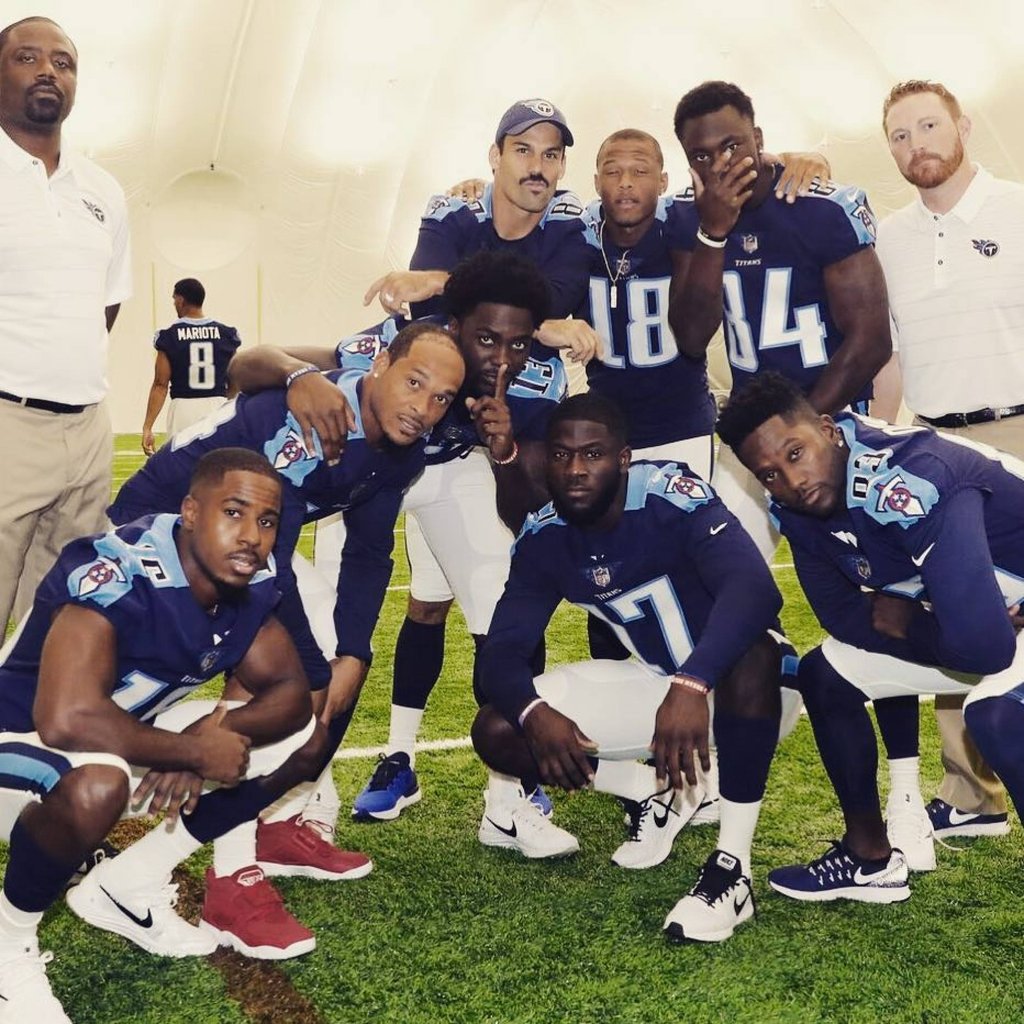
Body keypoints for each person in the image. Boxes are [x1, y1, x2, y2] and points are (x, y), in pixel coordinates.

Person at [106, 325, 465, 956]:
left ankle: (269, 824)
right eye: (414, 382)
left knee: (329, 655)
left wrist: (353, 651)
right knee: (284, 688)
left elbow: (368, 551)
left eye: (441, 397)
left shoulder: (401, 444)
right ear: (379, 365)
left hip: (240, 552)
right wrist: (315, 671)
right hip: (162, 543)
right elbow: (265, 567)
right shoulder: (315, 420)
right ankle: (231, 876)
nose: (423, 405)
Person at [229, 252, 564, 824]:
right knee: (333, 629)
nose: (502, 359)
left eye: (518, 345)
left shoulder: (538, 378)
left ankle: (509, 799)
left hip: (453, 470)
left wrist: (504, 449)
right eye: (486, 340)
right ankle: (310, 802)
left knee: (503, 612)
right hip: (373, 471)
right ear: (454, 327)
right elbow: (247, 362)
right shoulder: (407, 347)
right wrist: (299, 376)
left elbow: (529, 513)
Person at [0, 449, 318, 1021]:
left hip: (116, 740)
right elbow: (65, 719)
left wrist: (212, 732)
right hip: (14, 738)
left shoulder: (251, 581)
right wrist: (192, 749)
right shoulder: (120, 568)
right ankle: (5, 950)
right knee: (97, 782)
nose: (252, 537)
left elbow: (290, 695)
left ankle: (125, 885)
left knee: (292, 742)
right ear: (191, 512)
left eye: (267, 521)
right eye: (235, 513)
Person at [472, 393, 797, 943]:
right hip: (656, 681)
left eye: (592, 454)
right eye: (561, 456)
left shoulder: (670, 495)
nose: (575, 470)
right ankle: (648, 786)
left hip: (754, 689)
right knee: (498, 728)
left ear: (624, 458)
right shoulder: (545, 535)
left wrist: (693, 682)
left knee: (754, 652)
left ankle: (732, 871)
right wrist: (533, 712)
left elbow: (755, 593)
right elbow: (501, 652)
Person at [717, 372, 1024, 904]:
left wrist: (911, 621)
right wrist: (938, 623)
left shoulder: (912, 478)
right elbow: (842, 617)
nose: (791, 481)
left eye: (796, 453)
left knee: (995, 715)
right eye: (769, 474)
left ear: (829, 430)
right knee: (827, 675)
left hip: (996, 625)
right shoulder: (796, 506)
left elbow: (986, 649)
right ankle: (869, 859)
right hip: (982, 621)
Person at [873, 80, 1024, 842]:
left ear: (962, 125)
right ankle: (971, 794)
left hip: (1019, 434)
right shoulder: (890, 237)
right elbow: (892, 351)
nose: (916, 145)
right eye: (899, 135)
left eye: (929, 126)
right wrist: (876, 436)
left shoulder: (1019, 208)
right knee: (960, 616)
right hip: (935, 446)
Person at [668, 80, 892, 561]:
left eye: (732, 146)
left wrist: (802, 428)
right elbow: (689, 337)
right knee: (723, 569)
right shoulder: (690, 218)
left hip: (837, 423)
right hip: (751, 434)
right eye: (702, 156)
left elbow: (872, 340)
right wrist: (713, 234)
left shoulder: (820, 209)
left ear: (759, 140)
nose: (720, 164)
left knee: (876, 573)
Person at [0, 16, 132, 634]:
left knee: (51, 623)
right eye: (28, 58)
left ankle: (22, 733)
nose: (49, 70)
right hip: (7, 424)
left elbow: (105, 303)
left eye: (64, 62)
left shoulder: (102, 188)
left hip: (86, 430)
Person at [364, 97, 601, 364]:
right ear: (496, 156)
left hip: (529, 385)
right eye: (523, 150)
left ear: (563, 165)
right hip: (445, 371)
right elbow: (429, 311)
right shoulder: (453, 211)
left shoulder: (573, 226)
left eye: (550, 155)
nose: (537, 168)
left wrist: (441, 282)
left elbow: (552, 304)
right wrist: (539, 327)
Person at [141, 277, 242, 456]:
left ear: (181, 300)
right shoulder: (227, 334)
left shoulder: (169, 336)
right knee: (216, 468)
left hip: (183, 409)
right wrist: (230, 409)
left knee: (182, 468)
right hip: (216, 406)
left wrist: (148, 426)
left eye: (174, 299)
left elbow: (160, 384)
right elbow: (234, 380)